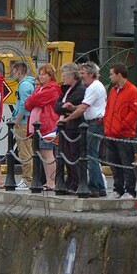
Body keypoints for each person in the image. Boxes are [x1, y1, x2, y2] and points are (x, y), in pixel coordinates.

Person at [60, 61, 108, 197]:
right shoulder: (92, 87)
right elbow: (85, 106)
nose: (81, 76)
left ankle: (94, 187)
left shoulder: (93, 87)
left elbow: (83, 108)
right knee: (91, 156)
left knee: (90, 156)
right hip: (93, 122)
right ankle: (99, 186)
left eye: (83, 73)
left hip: (94, 124)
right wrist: (73, 107)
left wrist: (67, 118)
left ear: (91, 74)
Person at [104, 62, 137, 198]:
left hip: (125, 134)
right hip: (111, 132)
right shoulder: (113, 90)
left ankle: (130, 190)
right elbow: (108, 108)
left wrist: (121, 125)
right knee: (114, 164)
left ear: (119, 74)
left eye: (111, 74)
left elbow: (134, 112)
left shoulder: (132, 90)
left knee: (126, 164)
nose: (110, 77)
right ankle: (118, 189)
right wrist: (107, 124)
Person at [24, 64, 62, 190]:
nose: (40, 76)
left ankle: (51, 182)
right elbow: (28, 104)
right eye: (39, 74)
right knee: (42, 153)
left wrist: (31, 99)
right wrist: (31, 99)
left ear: (50, 76)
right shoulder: (41, 88)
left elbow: (33, 100)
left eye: (43, 74)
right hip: (38, 127)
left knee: (47, 152)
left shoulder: (52, 88)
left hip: (47, 125)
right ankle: (47, 181)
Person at [53, 63, 86, 193]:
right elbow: (58, 106)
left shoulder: (80, 90)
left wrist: (65, 108)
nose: (63, 78)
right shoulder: (66, 89)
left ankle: (76, 182)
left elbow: (71, 106)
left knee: (74, 156)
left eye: (65, 75)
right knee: (65, 155)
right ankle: (68, 181)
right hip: (65, 127)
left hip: (74, 128)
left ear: (73, 75)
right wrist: (63, 106)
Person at [11, 61, 36, 189]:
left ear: (20, 72)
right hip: (29, 121)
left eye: (14, 72)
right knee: (29, 151)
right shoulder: (29, 84)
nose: (12, 74)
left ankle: (27, 179)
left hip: (23, 122)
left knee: (24, 152)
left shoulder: (23, 86)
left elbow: (24, 105)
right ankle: (29, 178)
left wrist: (17, 120)